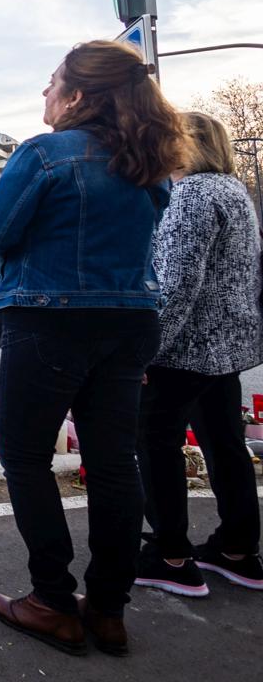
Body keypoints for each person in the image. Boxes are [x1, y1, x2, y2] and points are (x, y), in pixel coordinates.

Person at [0, 40, 189, 657]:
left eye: (51, 83)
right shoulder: (144, 163)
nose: (44, 93)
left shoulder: (44, 154)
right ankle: (109, 609)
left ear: (78, 96)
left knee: (25, 453)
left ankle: (51, 599)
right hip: (130, 322)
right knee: (115, 463)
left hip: (49, 321)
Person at [135, 111, 263, 597]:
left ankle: (170, 555)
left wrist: (147, 352)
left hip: (185, 350)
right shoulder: (234, 191)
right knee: (226, 445)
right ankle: (238, 550)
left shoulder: (190, 196)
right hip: (227, 348)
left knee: (154, 443)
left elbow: (176, 284)